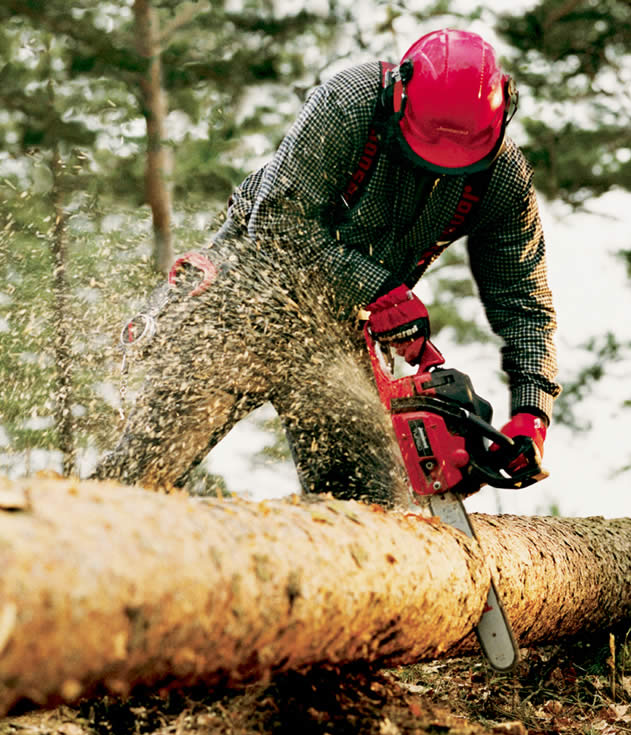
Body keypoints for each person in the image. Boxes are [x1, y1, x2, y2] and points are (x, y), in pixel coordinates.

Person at [93, 28, 559, 507]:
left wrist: (531, 412)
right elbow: (277, 222)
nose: (439, 169)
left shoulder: (503, 180)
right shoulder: (350, 103)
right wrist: (379, 290)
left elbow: (525, 305)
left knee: (366, 507)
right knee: (145, 469)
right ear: (400, 95)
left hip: (339, 338)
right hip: (249, 295)